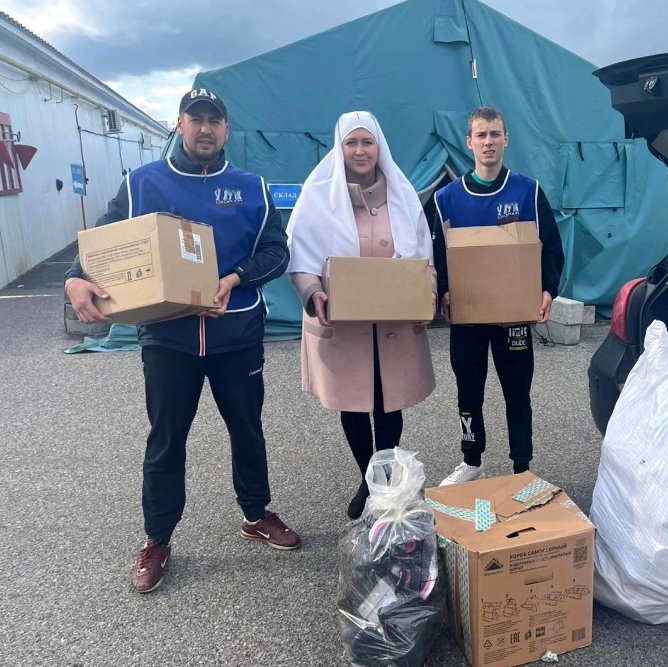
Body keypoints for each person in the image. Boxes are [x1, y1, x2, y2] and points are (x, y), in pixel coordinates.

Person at [65, 89, 300, 594]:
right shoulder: (143, 183)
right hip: (168, 338)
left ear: (227, 129)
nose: (205, 128)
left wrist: (235, 278)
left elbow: (277, 252)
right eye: (196, 119)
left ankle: (256, 514)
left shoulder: (251, 187)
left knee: (247, 430)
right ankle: (157, 538)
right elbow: (103, 241)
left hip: (236, 333)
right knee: (167, 438)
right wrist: (74, 278)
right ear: (179, 124)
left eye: (215, 120)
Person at [286, 111, 436, 519]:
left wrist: (426, 292)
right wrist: (312, 291)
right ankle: (367, 479)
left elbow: (424, 256)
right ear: (339, 148)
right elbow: (300, 255)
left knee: (388, 403)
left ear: (379, 147)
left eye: (367, 142)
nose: (359, 150)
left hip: (392, 323)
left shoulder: (402, 194)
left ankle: (382, 480)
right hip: (343, 324)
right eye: (351, 142)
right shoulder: (318, 194)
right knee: (353, 404)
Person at [431, 105, 564, 486]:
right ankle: (471, 460)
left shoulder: (528, 191)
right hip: (468, 317)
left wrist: (548, 289)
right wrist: (444, 291)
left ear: (506, 139)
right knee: (468, 392)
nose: (488, 142)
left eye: (494, 134)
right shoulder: (446, 199)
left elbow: (551, 247)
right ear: (469, 142)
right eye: (481, 135)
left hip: (513, 316)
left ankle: (522, 466)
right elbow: (437, 256)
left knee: (517, 394)